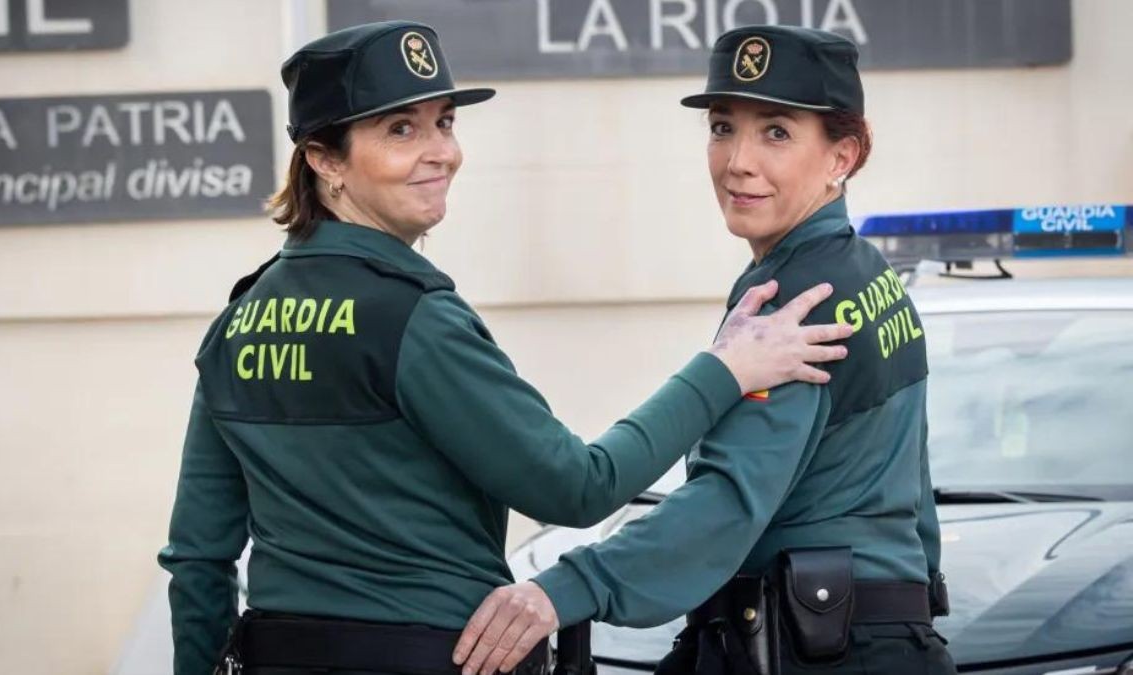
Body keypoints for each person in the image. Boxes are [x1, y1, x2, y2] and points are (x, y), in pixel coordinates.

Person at [158, 21, 855, 675]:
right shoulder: (410, 319)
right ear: (323, 159)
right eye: (402, 129)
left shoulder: (240, 321)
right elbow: (579, 486)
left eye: (445, 122)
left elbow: (198, 558)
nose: (444, 152)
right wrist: (724, 370)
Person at [454, 25, 955, 675]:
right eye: (723, 127)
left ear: (842, 157)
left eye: (776, 131)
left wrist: (564, 587)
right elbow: (914, 500)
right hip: (888, 638)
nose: (738, 161)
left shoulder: (793, 297)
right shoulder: (870, 275)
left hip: (815, 649)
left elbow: (728, 501)